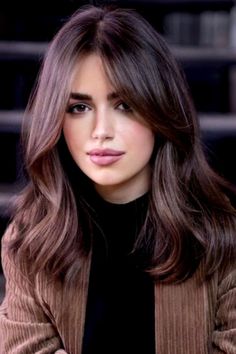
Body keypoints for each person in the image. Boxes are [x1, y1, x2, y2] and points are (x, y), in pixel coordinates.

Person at [0, 4, 236, 354]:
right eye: (79, 108)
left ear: (161, 109)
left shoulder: (220, 235)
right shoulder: (32, 239)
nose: (101, 132)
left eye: (124, 104)